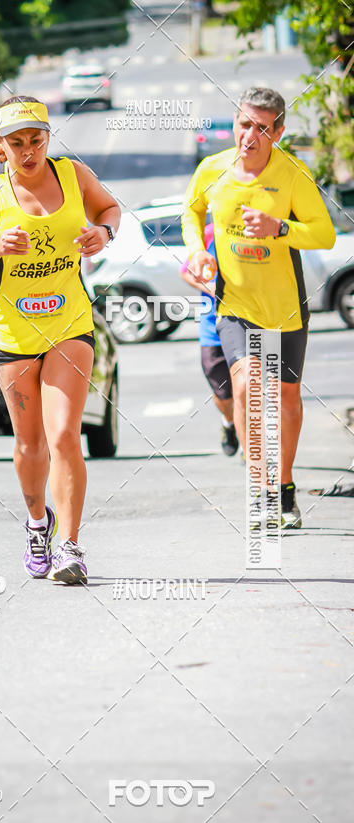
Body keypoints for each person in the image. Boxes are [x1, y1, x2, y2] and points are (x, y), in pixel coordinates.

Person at [0, 96, 120, 583]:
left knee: (66, 434)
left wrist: (103, 233)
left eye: (37, 139)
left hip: (69, 322)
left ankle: (70, 547)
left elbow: (110, 208)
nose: (29, 151)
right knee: (30, 444)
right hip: (14, 330)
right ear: (0, 146)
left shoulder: (73, 174)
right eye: (16, 142)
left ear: (49, 137)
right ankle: (36, 522)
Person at [181, 87, 336, 528]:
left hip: (286, 307)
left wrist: (278, 227)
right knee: (248, 386)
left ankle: (284, 487)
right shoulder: (212, 169)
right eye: (244, 123)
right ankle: (261, 489)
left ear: (278, 131)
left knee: (286, 396)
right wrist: (197, 252)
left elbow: (324, 234)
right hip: (234, 303)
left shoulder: (293, 175)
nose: (250, 135)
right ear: (235, 122)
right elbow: (190, 211)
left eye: (262, 128)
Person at [179, 222, 239, 456]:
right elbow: (185, 271)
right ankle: (229, 423)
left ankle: (249, 444)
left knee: (247, 387)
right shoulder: (209, 233)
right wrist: (210, 287)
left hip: (245, 323)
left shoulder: (250, 228)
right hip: (211, 328)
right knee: (223, 394)